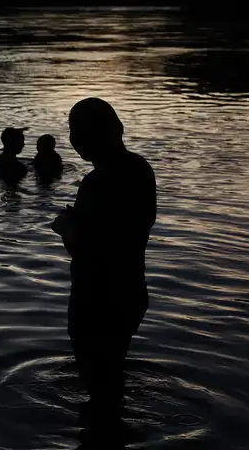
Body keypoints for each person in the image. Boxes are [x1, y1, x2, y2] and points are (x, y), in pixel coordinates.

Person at [51, 98, 156, 426]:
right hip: (131, 292)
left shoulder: (97, 183)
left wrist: (65, 225)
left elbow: (84, 248)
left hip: (98, 298)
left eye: (76, 131)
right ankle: (113, 431)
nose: (72, 139)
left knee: (99, 383)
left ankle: (103, 435)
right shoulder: (140, 169)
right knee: (110, 375)